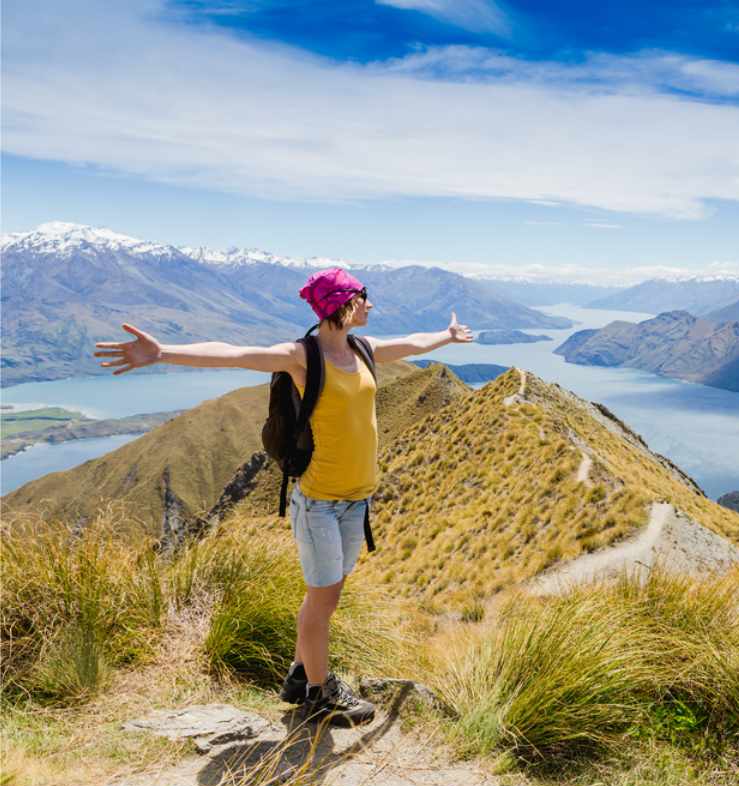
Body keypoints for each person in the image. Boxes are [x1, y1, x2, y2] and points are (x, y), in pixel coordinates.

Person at [93, 267, 474, 725]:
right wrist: (162, 352)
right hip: (320, 503)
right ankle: (318, 693)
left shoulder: (363, 350)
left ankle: (299, 674)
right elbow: (234, 355)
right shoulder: (302, 358)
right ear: (345, 303)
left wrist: (447, 336)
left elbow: (413, 343)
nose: (372, 306)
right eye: (365, 297)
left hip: (357, 501)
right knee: (324, 602)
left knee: (323, 598)